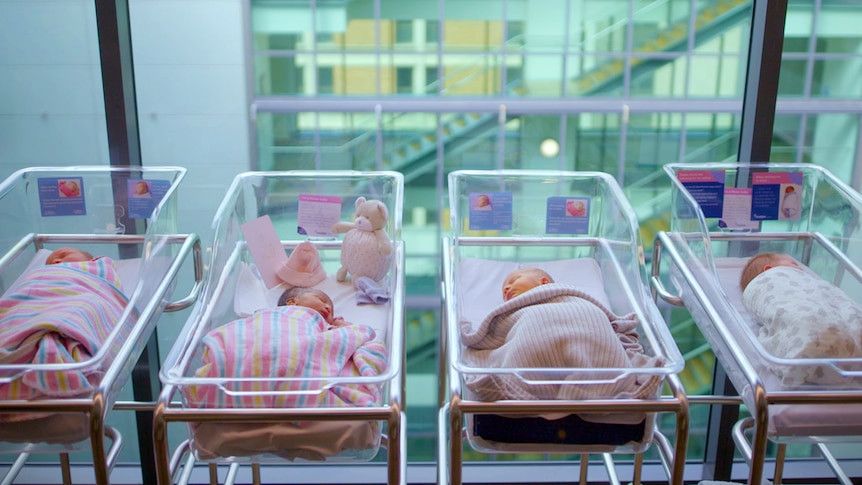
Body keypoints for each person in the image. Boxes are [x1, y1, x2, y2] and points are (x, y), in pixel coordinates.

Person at [277, 286, 351, 328]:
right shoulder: (280, 319)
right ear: (292, 303)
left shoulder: (326, 327)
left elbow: (355, 332)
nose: (328, 308)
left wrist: (338, 326)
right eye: (322, 300)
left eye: (332, 314)